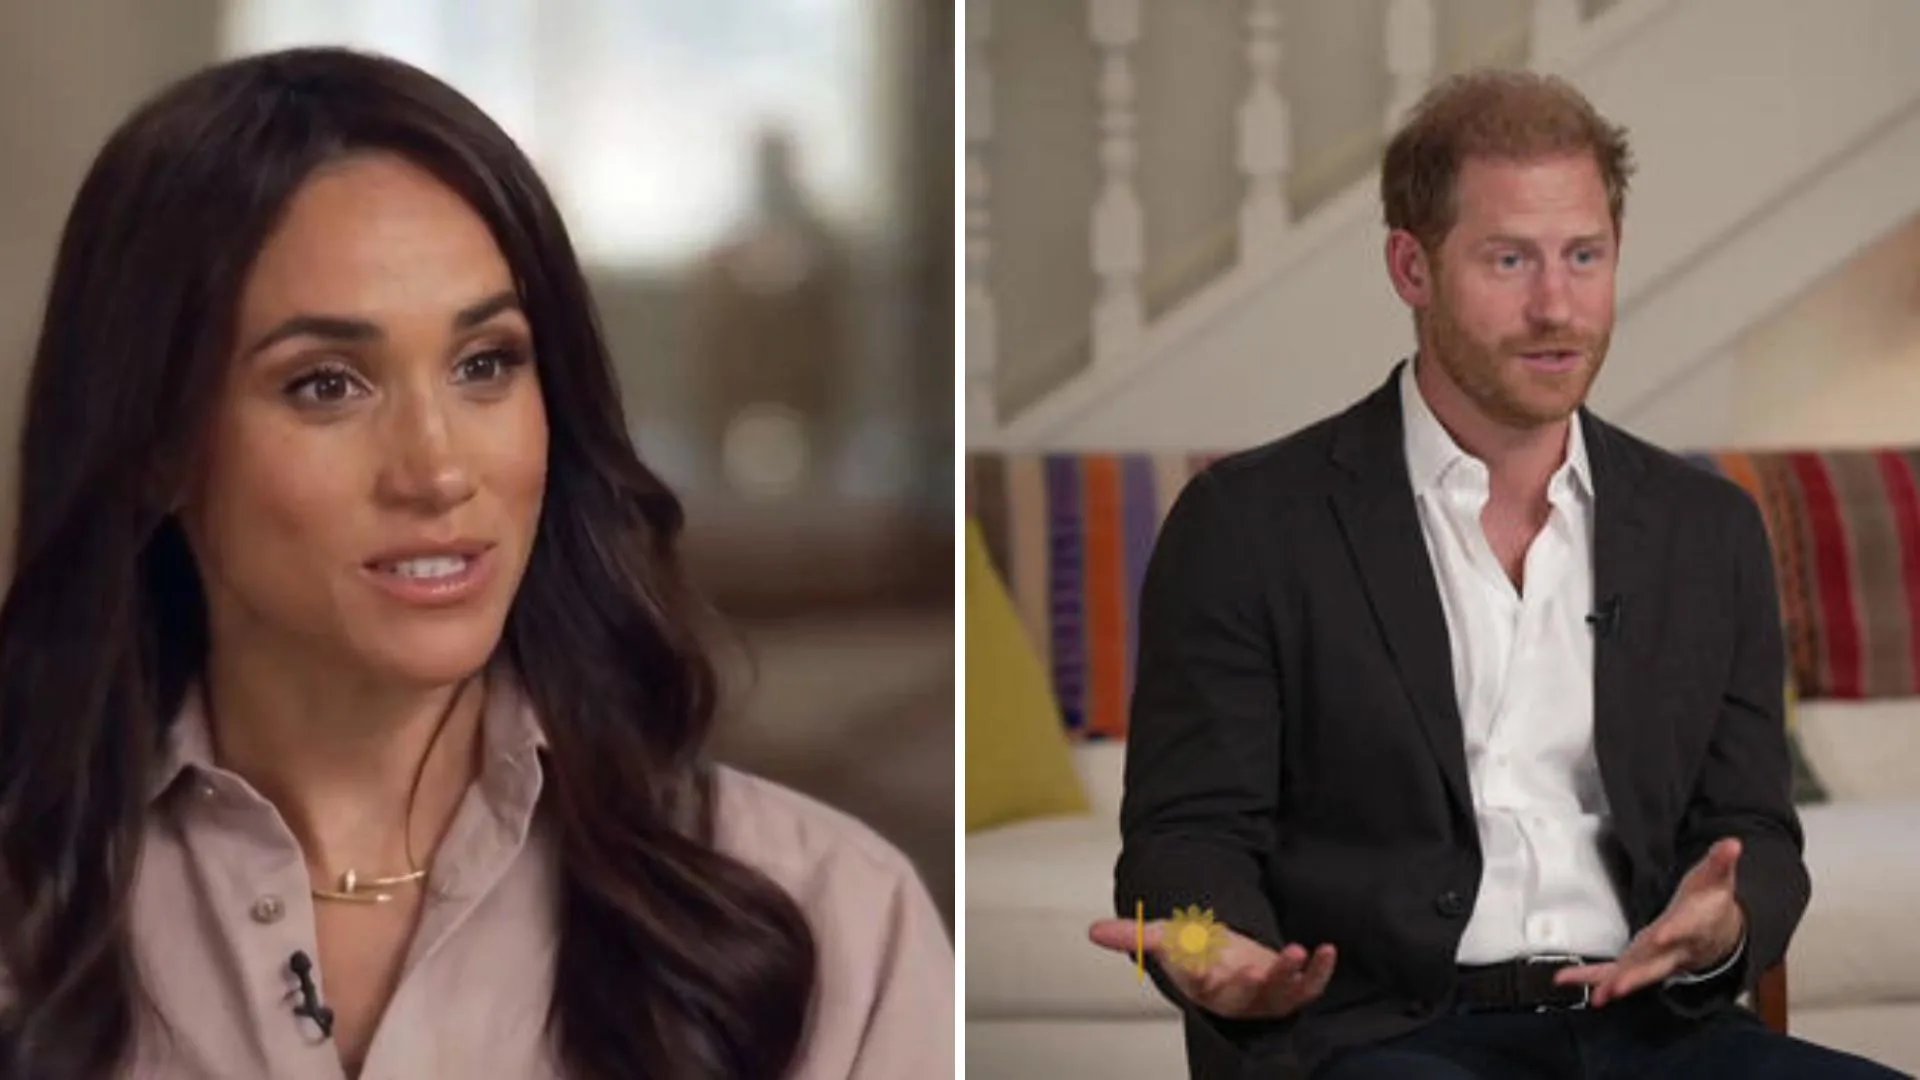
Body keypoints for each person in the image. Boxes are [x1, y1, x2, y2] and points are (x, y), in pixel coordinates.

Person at [0, 46, 952, 1080]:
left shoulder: (826, 917)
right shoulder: (31, 913)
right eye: (326, 384)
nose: (439, 469)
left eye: (485, 363)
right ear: (155, 446)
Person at [1087, 70, 1907, 1079]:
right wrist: (1216, 959)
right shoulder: (1247, 525)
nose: (1555, 306)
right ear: (1411, 267)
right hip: (1383, 1042)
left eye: (1584, 256)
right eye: (1509, 258)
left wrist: (1724, 923)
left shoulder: (1709, 531)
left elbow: (1756, 830)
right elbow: (1186, 836)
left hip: (1656, 1032)